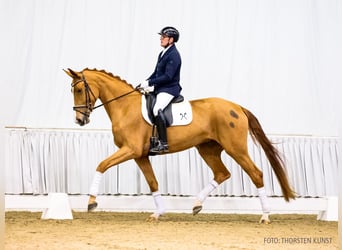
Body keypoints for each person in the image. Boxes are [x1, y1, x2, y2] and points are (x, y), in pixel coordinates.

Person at [141, 26, 182, 154]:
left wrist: (151, 83)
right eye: (161, 37)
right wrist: (145, 82)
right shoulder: (163, 53)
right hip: (161, 88)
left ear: (171, 40)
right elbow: (156, 73)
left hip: (169, 89)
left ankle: (163, 143)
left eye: (163, 37)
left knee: (156, 109)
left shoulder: (174, 55)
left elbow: (168, 76)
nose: (161, 39)